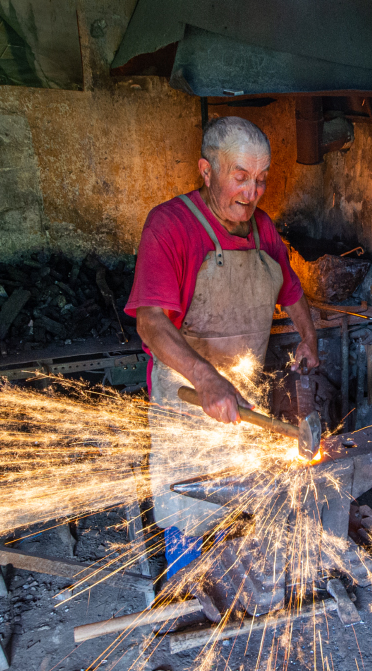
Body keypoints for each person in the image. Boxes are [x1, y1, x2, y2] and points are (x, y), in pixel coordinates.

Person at [124, 116, 320, 577]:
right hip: (188, 399)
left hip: (243, 397)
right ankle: (188, 593)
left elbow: (291, 291)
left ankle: (241, 593)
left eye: (261, 180)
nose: (252, 193)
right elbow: (150, 323)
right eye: (240, 178)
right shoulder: (169, 226)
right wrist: (207, 379)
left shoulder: (264, 230)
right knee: (187, 509)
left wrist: (309, 339)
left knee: (243, 510)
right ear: (207, 171)